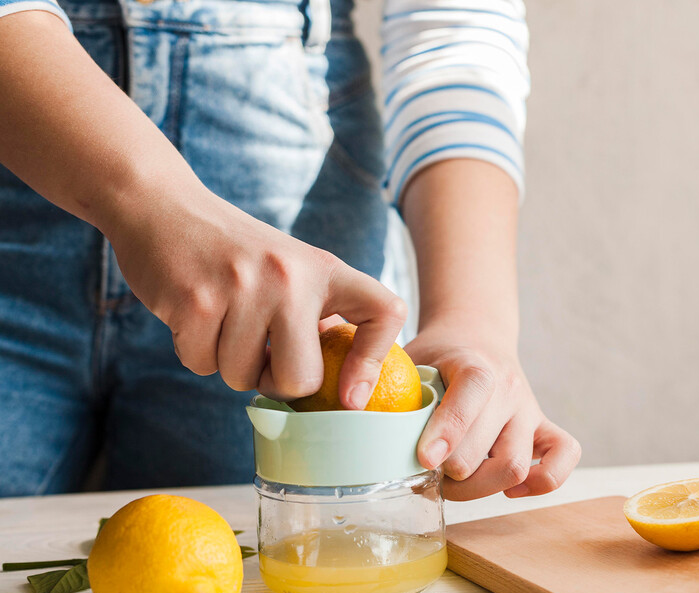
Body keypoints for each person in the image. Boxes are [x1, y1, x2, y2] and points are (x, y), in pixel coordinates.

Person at [0, 0, 580, 499]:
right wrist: (153, 203)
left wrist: (473, 323)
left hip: (290, 287)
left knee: (277, 570)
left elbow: (456, 32)